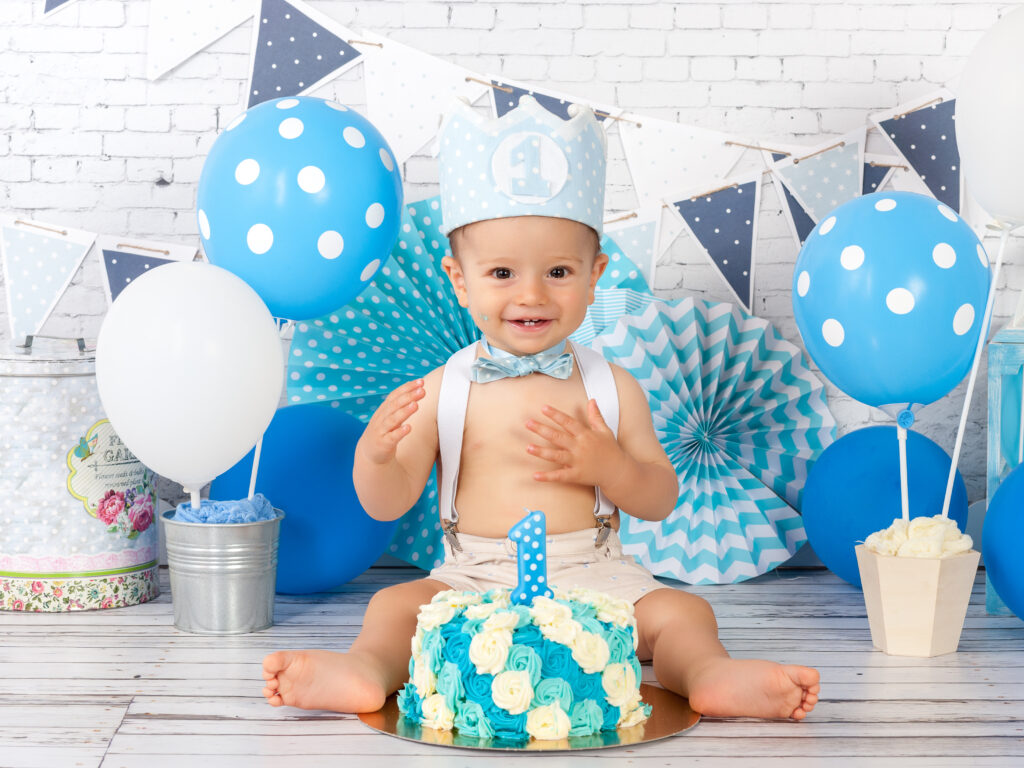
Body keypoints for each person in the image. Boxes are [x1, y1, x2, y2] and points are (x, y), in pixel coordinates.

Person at [262, 96, 820, 721]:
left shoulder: (613, 387)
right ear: (459, 278)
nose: (531, 294)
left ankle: (709, 675)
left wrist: (610, 464)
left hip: (596, 572)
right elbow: (386, 503)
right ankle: (365, 670)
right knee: (391, 610)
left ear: (595, 275)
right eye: (501, 272)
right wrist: (375, 453)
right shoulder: (445, 388)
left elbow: (660, 498)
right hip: (474, 573)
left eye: (558, 270)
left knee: (684, 614)